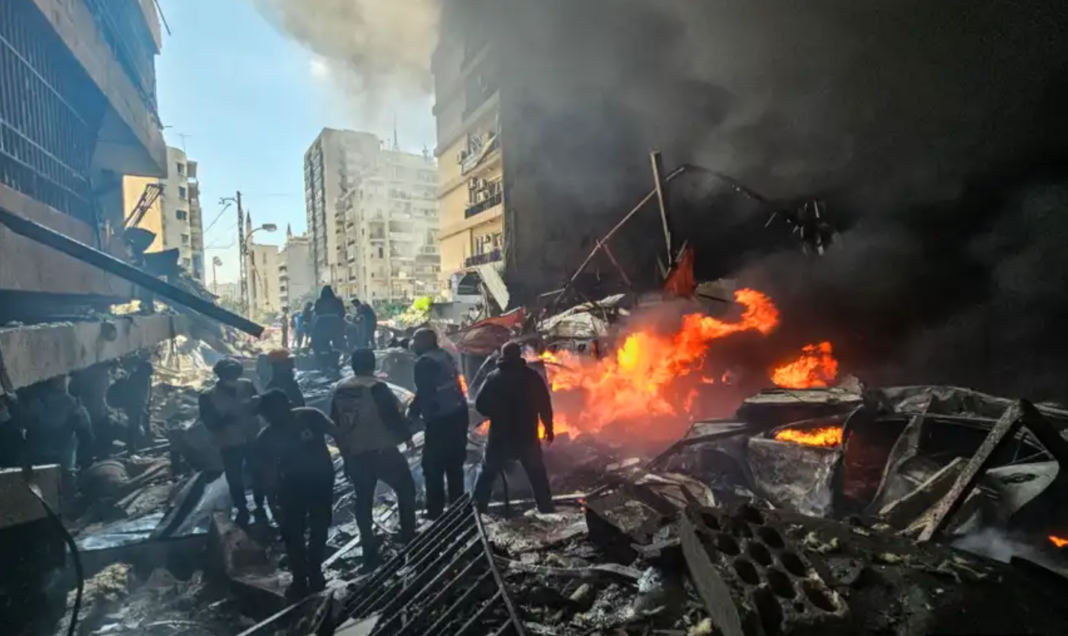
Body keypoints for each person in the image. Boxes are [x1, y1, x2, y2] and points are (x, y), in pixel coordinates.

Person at [331, 349, 417, 569]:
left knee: (363, 499)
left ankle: (368, 549)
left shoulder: (340, 388)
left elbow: (335, 421)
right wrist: (407, 437)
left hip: (356, 453)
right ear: (372, 365)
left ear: (353, 366)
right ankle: (408, 536)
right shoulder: (377, 387)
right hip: (381, 450)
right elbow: (391, 416)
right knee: (406, 489)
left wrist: (345, 451)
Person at [255, 389, 339, 598]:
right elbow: (268, 472)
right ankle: (300, 577)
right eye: (269, 414)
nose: (274, 417)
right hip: (292, 486)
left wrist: (349, 458)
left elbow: (338, 433)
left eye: (276, 411)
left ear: (288, 405)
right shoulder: (266, 437)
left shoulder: (310, 416)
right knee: (293, 532)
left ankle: (314, 571)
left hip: (320, 480)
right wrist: (272, 500)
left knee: (319, 526)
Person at [472, 342, 555, 514]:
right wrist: (548, 427)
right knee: (536, 473)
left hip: (500, 436)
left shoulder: (493, 378)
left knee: (487, 472)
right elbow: (544, 405)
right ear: (519, 355)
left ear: (503, 356)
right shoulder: (532, 377)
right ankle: (545, 508)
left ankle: (477, 510)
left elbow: (479, 404)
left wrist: (496, 413)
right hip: (527, 434)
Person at [198, 358, 267, 526]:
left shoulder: (247, 385)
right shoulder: (208, 395)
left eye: (234, 373)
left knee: (258, 473)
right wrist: (228, 418)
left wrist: (254, 406)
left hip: (251, 437)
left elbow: (259, 406)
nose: (232, 376)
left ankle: (260, 503)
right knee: (234, 478)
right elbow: (209, 422)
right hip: (229, 442)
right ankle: (241, 507)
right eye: (228, 373)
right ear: (220, 375)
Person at [408, 328, 468, 520]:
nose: (413, 344)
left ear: (425, 341)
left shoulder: (425, 363)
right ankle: (459, 510)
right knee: (454, 466)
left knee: (432, 466)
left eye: (416, 339)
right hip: (458, 416)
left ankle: (435, 513)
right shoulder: (444, 356)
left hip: (440, 421)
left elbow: (424, 393)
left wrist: (412, 414)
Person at [24, 375, 93, 489]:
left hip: (57, 462)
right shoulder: (37, 404)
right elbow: (87, 436)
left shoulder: (74, 405)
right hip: (43, 460)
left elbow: (87, 435)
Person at [312, 286, 347, 367]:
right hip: (336, 323)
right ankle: (335, 361)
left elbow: (317, 312)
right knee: (337, 343)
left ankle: (325, 361)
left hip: (321, 324)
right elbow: (342, 313)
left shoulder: (319, 301)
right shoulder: (337, 301)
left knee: (323, 344)